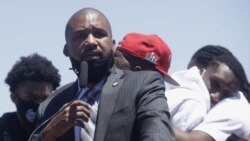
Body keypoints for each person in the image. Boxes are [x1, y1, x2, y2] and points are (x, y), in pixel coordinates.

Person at [31, 7, 175, 141]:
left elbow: (158, 136)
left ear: (113, 45)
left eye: (99, 34)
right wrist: (48, 134)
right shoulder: (50, 104)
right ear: (66, 50)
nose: (91, 42)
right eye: (80, 36)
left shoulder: (143, 84)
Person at [174, 45, 250, 141]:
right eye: (214, 85)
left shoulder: (233, 108)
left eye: (226, 94)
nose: (216, 96)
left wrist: (153, 116)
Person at [0, 53, 61, 141]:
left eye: (45, 99)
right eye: (31, 98)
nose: (39, 104)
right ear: (14, 98)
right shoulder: (3, 129)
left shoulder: (64, 128)